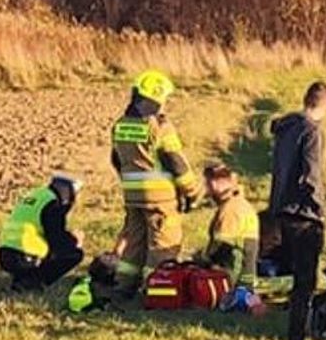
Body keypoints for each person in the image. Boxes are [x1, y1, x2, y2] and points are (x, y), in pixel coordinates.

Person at [110, 70, 201, 297]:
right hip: (159, 198)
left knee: (134, 243)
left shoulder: (119, 125)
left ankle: (124, 285)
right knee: (163, 244)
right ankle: (160, 289)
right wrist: (191, 191)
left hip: (132, 196)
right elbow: (176, 162)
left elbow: (116, 159)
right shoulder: (160, 127)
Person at [269, 81, 326, 340]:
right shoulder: (312, 132)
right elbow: (311, 176)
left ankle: (293, 335)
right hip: (304, 214)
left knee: (295, 276)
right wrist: (320, 209)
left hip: (282, 210)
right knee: (305, 282)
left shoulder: (286, 128)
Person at [0, 174, 85, 292]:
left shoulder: (37, 195)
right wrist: (74, 240)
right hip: (25, 257)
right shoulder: (53, 205)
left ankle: (22, 279)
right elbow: (57, 239)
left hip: (5, 254)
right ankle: (34, 283)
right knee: (73, 254)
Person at [195, 163, 260, 289]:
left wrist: (201, 259)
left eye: (209, 183)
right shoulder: (238, 204)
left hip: (233, 279)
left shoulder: (231, 209)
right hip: (241, 274)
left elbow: (219, 247)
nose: (209, 188)